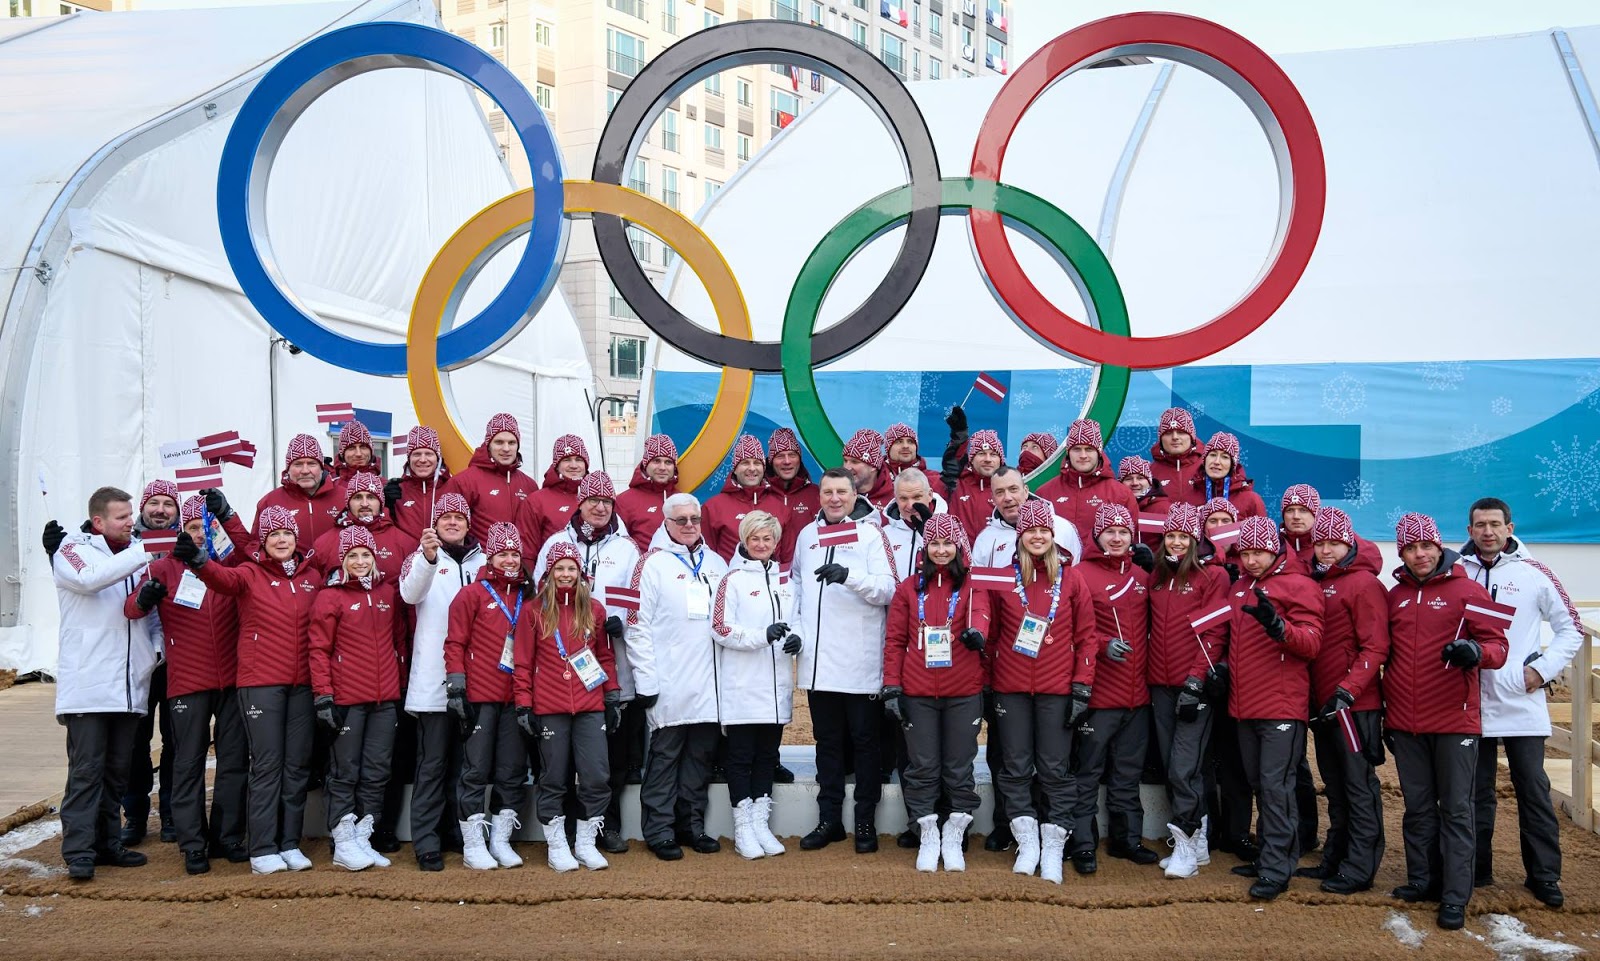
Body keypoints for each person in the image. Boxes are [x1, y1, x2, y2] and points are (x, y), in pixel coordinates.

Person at [1386, 512, 1510, 930]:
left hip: (1454, 719)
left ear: (1439, 548)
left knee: (1456, 808)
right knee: (1418, 808)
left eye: (1426, 546)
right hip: (1406, 720)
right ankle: (1422, 879)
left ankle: (1456, 894)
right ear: (1401, 551)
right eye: (1411, 547)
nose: (1419, 554)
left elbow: (1497, 644)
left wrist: (1476, 653)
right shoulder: (1395, 596)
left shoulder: (1467, 590)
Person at [1457, 497, 1583, 908]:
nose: (1488, 531)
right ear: (1470, 529)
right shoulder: (1456, 571)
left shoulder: (1536, 574)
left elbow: (1572, 628)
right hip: (1470, 702)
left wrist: (1541, 671)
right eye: (1480, 525)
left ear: (1510, 528)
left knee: (1532, 790)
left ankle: (1544, 876)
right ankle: (1477, 870)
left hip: (1521, 702)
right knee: (1476, 794)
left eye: (1496, 524)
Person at [183, 504, 322, 875]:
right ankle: (261, 846)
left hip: (303, 683)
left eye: (287, 534)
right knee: (268, 764)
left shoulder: (312, 577)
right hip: (261, 682)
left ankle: (289, 842)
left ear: (296, 539)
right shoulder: (249, 572)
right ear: (264, 540)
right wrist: (199, 560)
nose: (281, 540)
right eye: (274, 534)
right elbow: (221, 580)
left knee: (296, 766)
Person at [123, 492, 249, 874]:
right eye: (192, 528)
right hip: (188, 680)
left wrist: (227, 514)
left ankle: (227, 836)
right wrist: (144, 599)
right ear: (180, 531)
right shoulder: (164, 569)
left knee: (231, 762)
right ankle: (193, 843)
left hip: (230, 679)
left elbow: (250, 547)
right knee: (188, 763)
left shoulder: (230, 563)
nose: (198, 535)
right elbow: (131, 608)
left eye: (205, 528)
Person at [977, 499, 1096, 883]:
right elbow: (990, 633)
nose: (1038, 536)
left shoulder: (1072, 577)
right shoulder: (1001, 577)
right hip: (1010, 687)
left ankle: (1055, 842)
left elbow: (1087, 638)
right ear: (1020, 535)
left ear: (1053, 534)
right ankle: (1026, 839)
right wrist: (987, 683)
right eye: (1031, 530)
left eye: (1044, 530)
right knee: (1014, 766)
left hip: (1057, 688)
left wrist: (1081, 688)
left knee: (1055, 768)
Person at [50, 486, 159, 881]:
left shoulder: (135, 557)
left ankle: (107, 843)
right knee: (86, 773)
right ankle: (78, 851)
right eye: (122, 517)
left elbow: (148, 613)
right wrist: (144, 550)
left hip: (129, 686)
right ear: (98, 521)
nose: (131, 522)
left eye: (131, 514)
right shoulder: (71, 549)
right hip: (89, 685)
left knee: (117, 772)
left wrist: (156, 651)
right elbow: (92, 580)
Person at [533, 472, 643, 853]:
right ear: (578, 503)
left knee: (604, 758)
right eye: (592, 500)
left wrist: (621, 620)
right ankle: (562, 827)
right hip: (558, 670)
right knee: (561, 760)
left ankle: (603, 826)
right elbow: (539, 594)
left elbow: (636, 595)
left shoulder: (627, 548)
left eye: (607, 501)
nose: (600, 507)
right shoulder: (556, 543)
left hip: (609, 661)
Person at [793, 468, 897, 853]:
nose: (834, 498)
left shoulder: (872, 534)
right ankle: (829, 819)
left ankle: (865, 820)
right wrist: (796, 634)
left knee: (866, 743)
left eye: (841, 492)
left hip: (860, 662)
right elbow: (797, 590)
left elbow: (889, 588)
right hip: (819, 663)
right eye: (827, 492)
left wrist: (850, 576)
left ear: (855, 496)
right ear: (819, 496)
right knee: (827, 743)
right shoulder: (807, 535)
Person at [626, 493, 731, 859]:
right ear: (666, 523)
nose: (688, 525)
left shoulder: (716, 562)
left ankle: (691, 826)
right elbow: (634, 625)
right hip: (669, 683)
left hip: (708, 685)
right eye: (680, 519)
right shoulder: (648, 565)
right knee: (664, 760)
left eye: (694, 519)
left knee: (699, 759)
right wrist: (647, 681)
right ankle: (659, 830)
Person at [1224, 517, 1323, 901]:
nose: (1250, 560)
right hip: (1244, 704)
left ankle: (1277, 867)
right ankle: (1271, 853)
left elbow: (1311, 643)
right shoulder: (1239, 587)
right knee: (1259, 785)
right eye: (1245, 553)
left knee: (1276, 787)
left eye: (1259, 552)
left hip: (1281, 706)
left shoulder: (1300, 585)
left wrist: (1279, 628)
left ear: (1276, 550)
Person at [881, 513, 987, 872]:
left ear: (958, 546)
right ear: (925, 548)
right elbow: (895, 640)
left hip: (963, 689)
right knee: (923, 766)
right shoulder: (908, 588)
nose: (941, 550)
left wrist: (979, 636)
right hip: (918, 690)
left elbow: (983, 615)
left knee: (959, 766)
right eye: (934, 544)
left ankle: (956, 830)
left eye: (947, 543)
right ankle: (926, 830)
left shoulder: (974, 585)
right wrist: (892, 685)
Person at [1298, 507, 1388, 895]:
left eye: (1334, 543)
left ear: (1349, 543)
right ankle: (1334, 857)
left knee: (1357, 786)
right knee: (1333, 785)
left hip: (1353, 707)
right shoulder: (1315, 581)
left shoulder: (1363, 584)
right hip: (1323, 705)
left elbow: (1375, 645)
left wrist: (1349, 690)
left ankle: (1360, 867)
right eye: (1320, 543)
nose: (1326, 550)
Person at [514, 542, 620, 872]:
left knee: (596, 775)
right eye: (559, 568)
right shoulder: (533, 611)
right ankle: (557, 843)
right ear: (549, 573)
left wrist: (612, 695)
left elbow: (604, 657)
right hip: (550, 706)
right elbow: (522, 661)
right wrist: (523, 705)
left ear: (580, 573)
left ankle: (585, 842)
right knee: (554, 777)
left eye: (571, 568)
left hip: (590, 705)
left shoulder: (594, 610)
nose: (565, 574)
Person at [310, 526, 406, 871]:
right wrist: (324, 695)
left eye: (366, 554)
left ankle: (364, 836)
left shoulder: (386, 592)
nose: (361, 561)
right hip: (347, 697)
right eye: (353, 556)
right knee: (345, 770)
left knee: (377, 770)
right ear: (342, 560)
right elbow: (319, 649)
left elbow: (398, 641)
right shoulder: (329, 596)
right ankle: (343, 838)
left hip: (384, 698)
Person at [398, 493, 483, 871]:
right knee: (432, 764)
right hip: (434, 679)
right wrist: (429, 558)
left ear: (468, 523)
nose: (452, 523)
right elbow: (409, 593)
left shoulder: (484, 560)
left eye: (458, 518)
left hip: (477, 679)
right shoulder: (421, 558)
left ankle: (454, 832)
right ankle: (426, 840)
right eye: (445, 517)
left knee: (464, 766)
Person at [1071, 505, 1159, 868]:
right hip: (1099, 694)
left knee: (1127, 772)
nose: (1117, 537)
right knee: (1087, 772)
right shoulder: (1079, 575)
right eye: (1110, 531)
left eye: (1124, 531)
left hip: (1136, 696)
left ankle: (1127, 839)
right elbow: (1073, 630)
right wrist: (1105, 643)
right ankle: (1083, 843)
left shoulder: (1143, 575)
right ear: (1097, 536)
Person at [1146, 503, 1230, 879]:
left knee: (1184, 767)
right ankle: (1197, 846)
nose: (1176, 543)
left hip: (1192, 687)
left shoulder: (1212, 577)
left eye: (1183, 536)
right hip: (1160, 684)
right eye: (1171, 536)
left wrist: (1196, 681)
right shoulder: (1159, 575)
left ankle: (1184, 844)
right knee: (1176, 767)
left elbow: (1214, 633)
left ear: (1196, 540)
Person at [444, 521, 534, 871]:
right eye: (502, 554)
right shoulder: (473, 594)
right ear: (490, 557)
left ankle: (500, 838)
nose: (509, 560)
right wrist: (456, 686)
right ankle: (473, 841)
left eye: (514, 553)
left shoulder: (531, 597)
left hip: (517, 697)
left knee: (511, 769)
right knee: (476, 769)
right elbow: (454, 642)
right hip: (481, 695)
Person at [711, 510, 799, 859]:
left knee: (767, 756)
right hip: (742, 685)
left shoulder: (785, 580)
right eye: (755, 538)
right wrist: (760, 636)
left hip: (775, 687)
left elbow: (797, 620)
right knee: (741, 756)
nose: (762, 545)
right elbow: (720, 628)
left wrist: (798, 639)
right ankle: (743, 825)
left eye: (768, 539)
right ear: (744, 541)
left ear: (776, 543)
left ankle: (761, 822)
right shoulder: (731, 580)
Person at [121, 479, 180, 847]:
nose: (160, 509)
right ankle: (136, 815)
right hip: (138, 656)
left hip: (180, 658)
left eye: (167, 504)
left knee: (177, 741)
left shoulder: (188, 544)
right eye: (154, 502)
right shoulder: (126, 547)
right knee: (135, 742)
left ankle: (174, 812)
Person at [1037, 419, 1143, 551]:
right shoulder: (1045, 493)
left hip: (1101, 569)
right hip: (1056, 569)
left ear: (1099, 452)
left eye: (1089, 449)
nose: (1083, 455)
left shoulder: (1120, 494)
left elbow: (1130, 540)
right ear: (1068, 452)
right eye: (1077, 449)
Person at [443, 413, 539, 546]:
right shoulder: (464, 481)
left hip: (518, 564)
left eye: (511, 443)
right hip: (480, 563)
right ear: (488, 445)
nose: (506, 449)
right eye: (499, 442)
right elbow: (448, 531)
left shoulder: (529, 485)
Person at [310, 472, 417, 580]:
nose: (364, 504)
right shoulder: (324, 544)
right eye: (357, 497)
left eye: (371, 497)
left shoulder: (405, 544)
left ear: (381, 502)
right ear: (348, 502)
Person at [702, 434, 791, 562]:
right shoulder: (713, 507)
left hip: (770, 579)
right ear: (735, 469)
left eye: (757, 463)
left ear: (763, 468)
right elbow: (707, 555)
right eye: (745, 463)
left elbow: (787, 557)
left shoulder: (780, 506)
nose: (752, 468)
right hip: (730, 579)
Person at [255, 433, 346, 548]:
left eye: (312, 464)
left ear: (321, 468)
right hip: (293, 566)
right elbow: (256, 547)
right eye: (298, 464)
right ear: (288, 469)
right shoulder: (270, 502)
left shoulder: (345, 498)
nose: (305, 470)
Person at [523, 433, 592, 555]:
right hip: (553, 572)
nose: (574, 465)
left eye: (579, 460)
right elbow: (528, 551)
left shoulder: (598, 499)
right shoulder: (537, 501)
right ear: (557, 465)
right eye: (567, 460)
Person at [384, 425, 453, 542]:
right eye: (416, 454)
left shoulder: (452, 487)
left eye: (429, 454)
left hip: (443, 558)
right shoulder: (397, 490)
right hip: (406, 557)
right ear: (409, 458)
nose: (422, 459)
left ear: (438, 458)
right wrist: (386, 504)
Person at [615, 433, 680, 554]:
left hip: (678, 569)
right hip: (640, 569)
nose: (662, 467)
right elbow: (617, 545)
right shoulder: (624, 501)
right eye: (656, 461)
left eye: (668, 462)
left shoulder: (683, 500)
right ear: (645, 463)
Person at [1179, 432, 1267, 520]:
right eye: (1213, 455)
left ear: (1232, 464)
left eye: (1224, 457)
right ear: (1204, 460)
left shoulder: (1251, 500)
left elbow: (1262, 533)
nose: (1217, 462)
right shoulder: (1188, 498)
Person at [883, 468, 944, 581]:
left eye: (917, 497)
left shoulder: (952, 529)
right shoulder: (884, 535)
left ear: (930, 495)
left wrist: (933, 536)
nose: (910, 505)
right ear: (896, 498)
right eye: (904, 498)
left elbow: (962, 571)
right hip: (898, 598)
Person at [948, 428, 1006, 541]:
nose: (988, 459)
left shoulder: (1010, 489)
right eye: (981, 454)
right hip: (960, 557)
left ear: (1001, 460)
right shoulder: (953, 485)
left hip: (997, 556)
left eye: (993, 454)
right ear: (971, 460)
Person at [766, 427, 821, 536]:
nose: (787, 461)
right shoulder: (759, 494)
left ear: (799, 460)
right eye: (780, 456)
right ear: (771, 462)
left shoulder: (816, 494)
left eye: (792, 455)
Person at [1148, 407, 1207, 495]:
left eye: (1181, 432)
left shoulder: (1208, 468)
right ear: (1161, 439)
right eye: (1168, 433)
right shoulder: (1148, 473)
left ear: (1192, 437)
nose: (1175, 437)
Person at [884, 422, 949, 498]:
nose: (905, 446)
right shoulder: (877, 478)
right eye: (899, 441)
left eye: (910, 442)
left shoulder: (936, 479)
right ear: (888, 449)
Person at [1118, 456, 1171, 548]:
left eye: (1140, 478)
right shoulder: (1115, 509)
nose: (1135, 483)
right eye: (1128, 478)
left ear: (1149, 481)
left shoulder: (1164, 508)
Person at [841, 427, 893, 508]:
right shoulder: (836, 495)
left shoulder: (895, 497)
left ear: (873, 466)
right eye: (845, 460)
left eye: (855, 462)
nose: (847, 467)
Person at [333, 419, 380, 485]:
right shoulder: (330, 487)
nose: (358, 454)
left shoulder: (385, 486)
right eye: (351, 448)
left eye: (363, 447)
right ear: (342, 454)